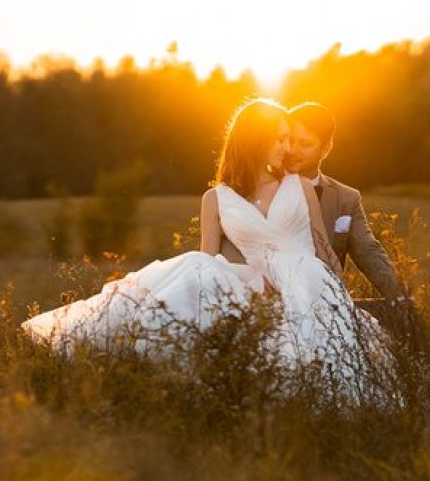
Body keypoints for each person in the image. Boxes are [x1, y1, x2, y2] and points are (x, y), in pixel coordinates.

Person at [22, 98, 386, 378]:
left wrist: (342, 301)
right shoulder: (216, 198)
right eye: (280, 139)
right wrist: (252, 284)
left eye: (291, 139)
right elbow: (208, 260)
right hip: (255, 279)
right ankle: (129, 346)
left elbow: (322, 247)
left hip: (306, 281)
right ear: (256, 140)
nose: (287, 148)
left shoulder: (299, 186)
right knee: (198, 268)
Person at [222, 102, 408, 307]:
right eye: (289, 140)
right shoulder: (247, 189)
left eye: (305, 144)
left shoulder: (346, 199)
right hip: (257, 301)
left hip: (318, 303)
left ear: (326, 148)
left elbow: (369, 253)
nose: (292, 149)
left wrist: (403, 299)